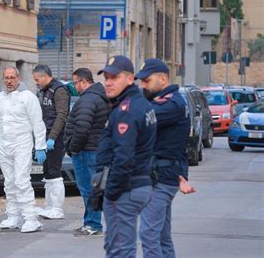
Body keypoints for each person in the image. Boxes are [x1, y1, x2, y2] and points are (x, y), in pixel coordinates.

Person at [96, 56, 157, 257]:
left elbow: (124, 157)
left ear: (130, 79)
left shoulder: (127, 110)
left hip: (126, 188)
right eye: (106, 77)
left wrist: (110, 191)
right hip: (137, 184)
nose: (109, 82)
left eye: (115, 77)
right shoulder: (139, 103)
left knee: (120, 250)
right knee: (118, 247)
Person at [136, 58, 196, 258]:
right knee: (161, 235)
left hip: (161, 178)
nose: (142, 85)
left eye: (146, 80)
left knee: (149, 233)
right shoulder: (169, 101)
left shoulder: (171, 104)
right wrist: (181, 175)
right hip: (163, 175)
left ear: (163, 78)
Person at [0, 67, 47, 233]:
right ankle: (13, 216)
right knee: (9, 181)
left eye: (12, 77)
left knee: (21, 180)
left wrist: (40, 146)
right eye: (6, 77)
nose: (9, 81)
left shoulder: (27, 97)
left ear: (18, 78)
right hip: (4, 144)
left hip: (22, 143)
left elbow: (38, 122)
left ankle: (30, 218)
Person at [63, 68, 110, 236]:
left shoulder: (88, 100)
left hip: (86, 150)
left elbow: (82, 128)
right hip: (94, 149)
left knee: (88, 189)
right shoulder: (98, 97)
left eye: (75, 82)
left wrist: (73, 148)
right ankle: (90, 222)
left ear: (83, 82)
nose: (74, 87)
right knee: (93, 189)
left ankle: (92, 224)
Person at [32, 64, 70, 219]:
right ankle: (49, 206)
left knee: (54, 172)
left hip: (56, 137)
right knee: (47, 172)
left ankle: (57, 208)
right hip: (45, 136)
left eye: (37, 79)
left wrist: (52, 138)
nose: (36, 82)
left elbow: (61, 116)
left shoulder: (59, 90)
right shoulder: (43, 91)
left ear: (44, 76)